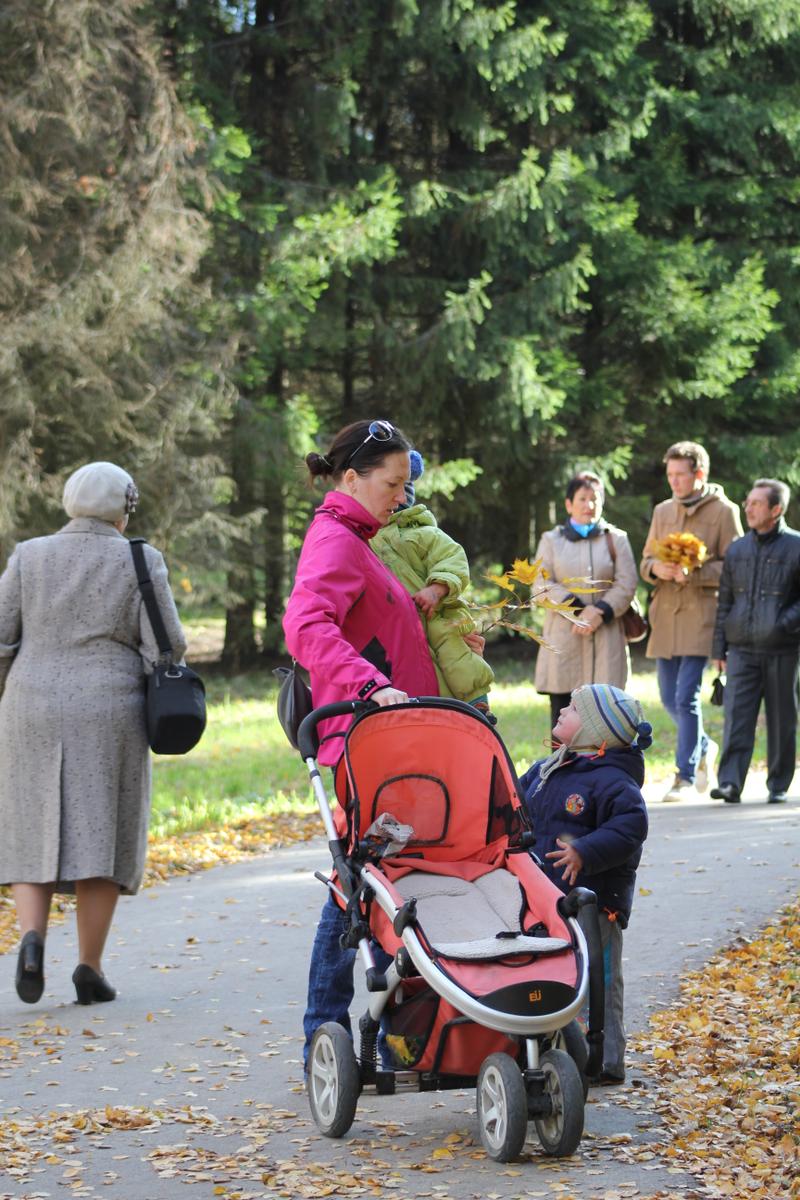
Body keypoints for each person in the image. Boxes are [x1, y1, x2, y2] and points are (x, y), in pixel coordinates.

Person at [282, 419, 442, 1066]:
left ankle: (393, 1035)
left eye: (405, 485)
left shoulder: (360, 539)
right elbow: (305, 625)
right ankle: (326, 1035)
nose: (402, 497)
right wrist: (370, 686)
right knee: (358, 887)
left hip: (398, 744)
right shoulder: (335, 540)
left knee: (379, 883)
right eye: (393, 484)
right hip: (367, 746)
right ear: (351, 478)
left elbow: (378, 630)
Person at [0, 461, 187, 1005]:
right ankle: (89, 966)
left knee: (31, 825)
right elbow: (167, 645)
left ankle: (31, 941)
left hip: (29, 704)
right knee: (101, 831)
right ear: (123, 508)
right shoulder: (139, 559)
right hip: (109, 707)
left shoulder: (29, 554)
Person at [518, 683, 651, 1085]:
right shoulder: (549, 768)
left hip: (593, 905)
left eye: (573, 709)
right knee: (552, 977)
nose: (561, 710)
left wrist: (585, 851)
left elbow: (630, 827)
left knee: (598, 980)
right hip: (545, 899)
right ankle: (556, 1054)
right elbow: (513, 802)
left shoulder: (613, 781)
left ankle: (606, 1060)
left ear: (597, 730)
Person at [640, 442, 742, 802]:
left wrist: (695, 572)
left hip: (702, 617)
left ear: (700, 473)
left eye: (680, 474)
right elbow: (645, 560)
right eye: (670, 475)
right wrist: (657, 568)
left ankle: (683, 775)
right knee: (668, 697)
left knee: (687, 697)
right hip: (666, 616)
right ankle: (704, 747)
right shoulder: (662, 510)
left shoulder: (725, 511)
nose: (674, 481)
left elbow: (735, 565)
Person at [372, 450, 494, 714]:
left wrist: (437, 589)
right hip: (395, 634)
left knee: (457, 659)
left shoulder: (422, 533)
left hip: (435, 618)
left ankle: (475, 707)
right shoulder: (362, 537)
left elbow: (452, 558)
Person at [709, 479, 800, 805]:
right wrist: (719, 648)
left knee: (782, 720)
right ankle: (730, 783)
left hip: (782, 649)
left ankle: (778, 784)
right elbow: (725, 602)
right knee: (737, 717)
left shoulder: (796, 546)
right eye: (747, 502)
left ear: (776, 510)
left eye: (756, 503)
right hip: (741, 649)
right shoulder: (737, 549)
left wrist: (781, 624)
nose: (748, 508)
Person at [534, 471, 639, 727]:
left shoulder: (617, 539)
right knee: (563, 722)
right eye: (582, 498)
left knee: (607, 720)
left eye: (595, 499)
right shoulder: (551, 540)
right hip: (564, 639)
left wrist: (600, 612)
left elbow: (627, 582)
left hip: (607, 639)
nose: (589, 505)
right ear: (569, 504)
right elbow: (541, 584)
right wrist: (580, 611)